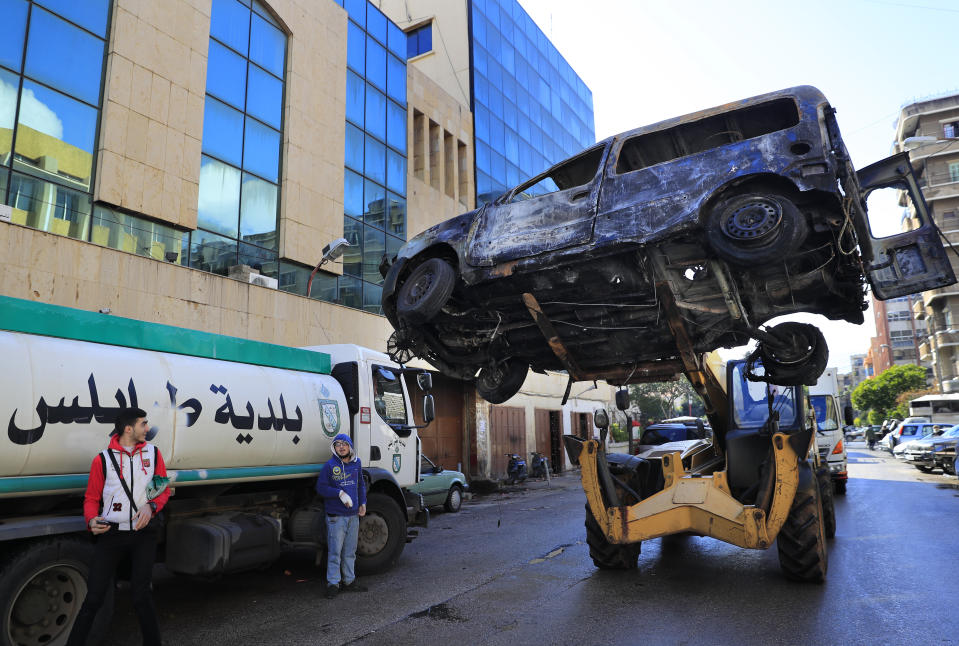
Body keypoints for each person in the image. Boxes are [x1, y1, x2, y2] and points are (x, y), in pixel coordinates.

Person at [67, 407, 169, 646]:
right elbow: (91, 498)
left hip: (143, 535)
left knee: (141, 596)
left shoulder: (154, 454)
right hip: (111, 536)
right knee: (93, 599)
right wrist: (91, 520)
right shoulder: (102, 459)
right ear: (128, 428)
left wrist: (151, 507)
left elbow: (161, 489)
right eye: (143, 424)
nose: (147, 428)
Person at [315, 433, 367, 599]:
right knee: (335, 552)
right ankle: (333, 584)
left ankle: (349, 581)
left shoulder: (356, 463)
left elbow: (360, 485)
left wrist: (363, 503)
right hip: (336, 516)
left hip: (353, 515)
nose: (341, 447)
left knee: (350, 551)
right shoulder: (329, 466)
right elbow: (321, 488)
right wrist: (339, 493)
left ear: (350, 446)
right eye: (338, 445)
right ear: (334, 448)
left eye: (344, 444)